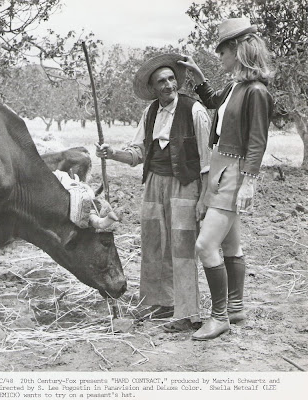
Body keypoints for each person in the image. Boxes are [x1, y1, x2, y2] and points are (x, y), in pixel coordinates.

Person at [96, 53, 211, 332]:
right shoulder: (149, 113)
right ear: (153, 87)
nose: (169, 85)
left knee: (183, 248)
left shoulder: (194, 111)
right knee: (154, 243)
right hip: (153, 186)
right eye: (162, 81)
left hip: (185, 185)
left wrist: (205, 198)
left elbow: (207, 162)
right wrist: (112, 154)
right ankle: (163, 303)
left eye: (172, 78)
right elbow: (138, 153)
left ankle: (188, 314)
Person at [178, 17, 274, 340]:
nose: (219, 57)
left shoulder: (256, 92)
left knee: (205, 245)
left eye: (222, 51)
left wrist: (249, 180)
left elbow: (258, 140)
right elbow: (213, 104)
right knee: (231, 244)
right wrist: (200, 77)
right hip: (220, 169)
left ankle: (218, 317)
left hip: (233, 172)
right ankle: (235, 307)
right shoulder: (236, 87)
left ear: (236, 49)